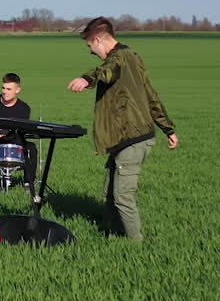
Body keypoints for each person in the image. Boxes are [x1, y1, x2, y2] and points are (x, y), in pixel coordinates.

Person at [67, 17, 179, 241]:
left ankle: (136, 245)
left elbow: (108, 71)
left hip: (133, 139)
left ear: (98, 40)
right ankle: (111, 236)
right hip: (126, 139)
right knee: (110, 193)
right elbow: (151, 96)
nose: (91, 52)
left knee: (122, 196)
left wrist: (87, 78)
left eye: (90, 46)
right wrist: (168, 129)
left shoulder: (118, 59)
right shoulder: (133, 57)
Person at [0, 73, 39, 192]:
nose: (5, 92)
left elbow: (20, 134)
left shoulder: (24, 108)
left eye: (9, 89)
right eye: (3, 88)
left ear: (17, 90)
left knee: (31, 148)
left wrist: (7, 135)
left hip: (13, 146)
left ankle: (28, 184)